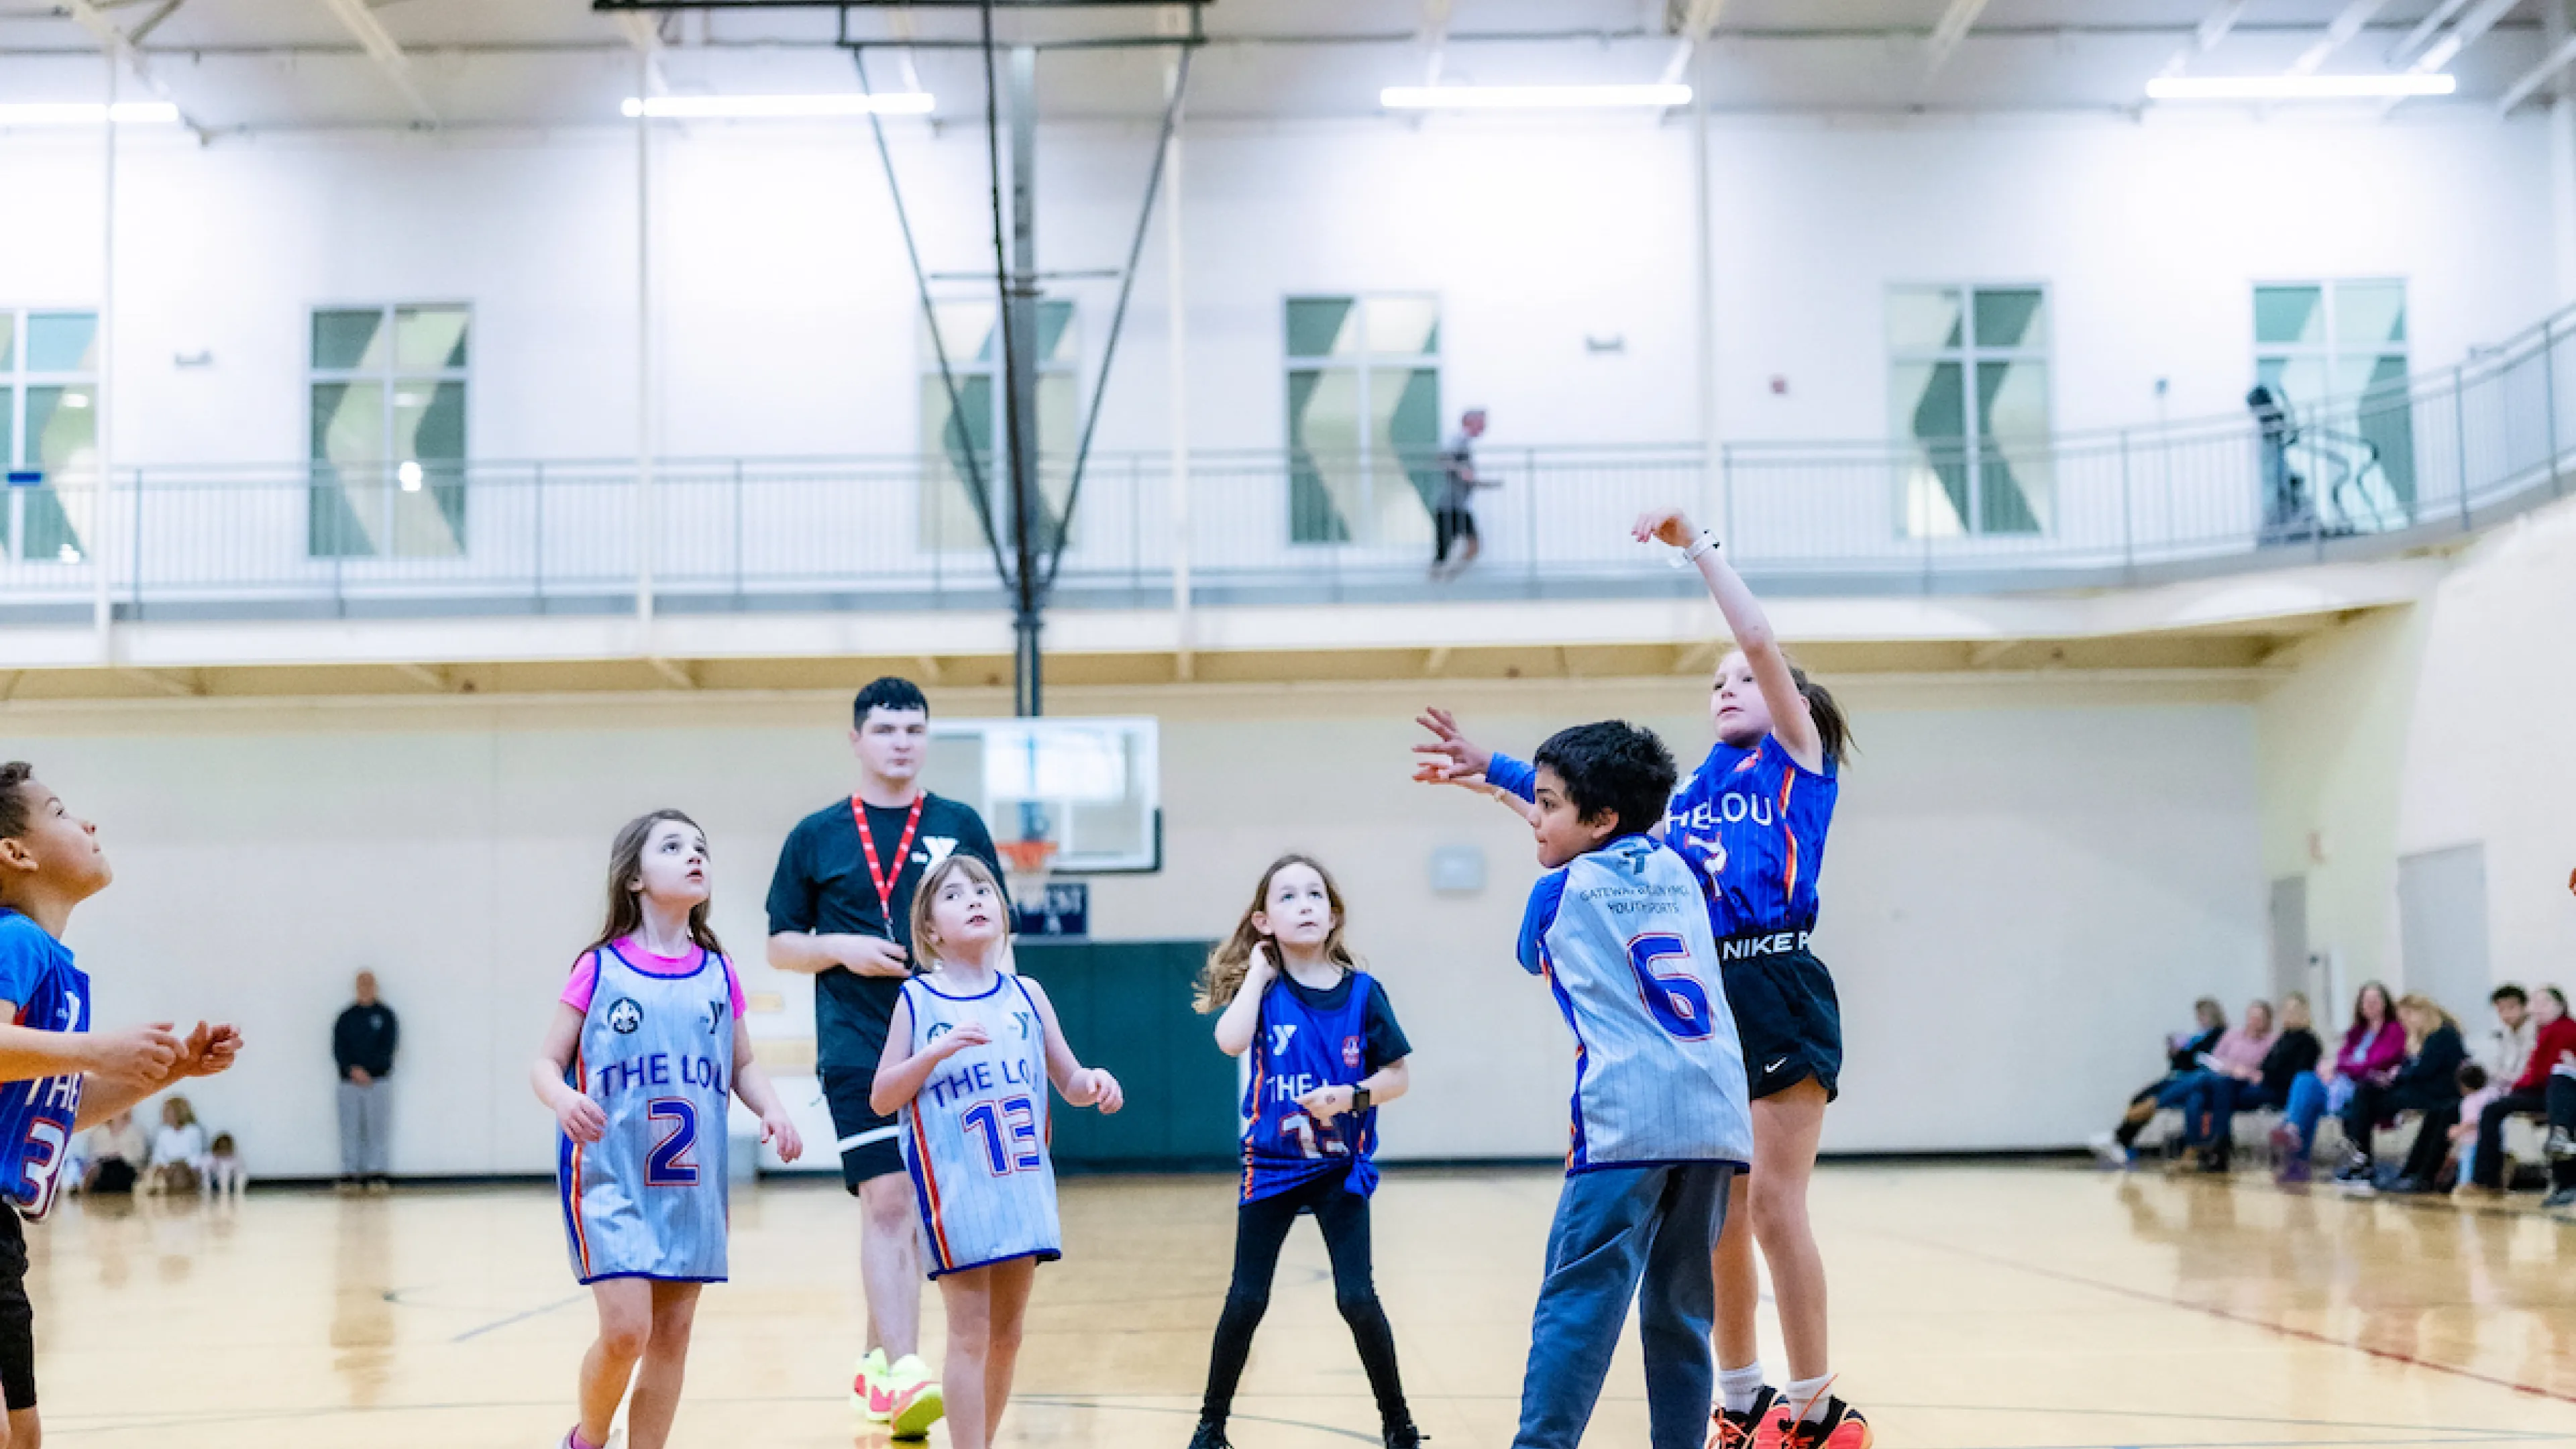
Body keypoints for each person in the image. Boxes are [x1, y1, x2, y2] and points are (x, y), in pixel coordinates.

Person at [1418, 503, 1869, 1449]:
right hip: (1705, 1015)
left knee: (1779, 1206)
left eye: (1747, 677)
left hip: (1776, 979)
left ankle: (1816, 1401)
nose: (1728, 683)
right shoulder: (1698, 787)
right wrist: (1490, 772)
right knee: (1721, 1223)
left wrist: (1698, 547)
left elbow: (1753, 632)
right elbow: (1591, 827)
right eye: (1716, 681)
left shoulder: (1798, 760)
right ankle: (1739, 1396)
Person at [1462, 720, 1752, 1449]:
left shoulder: (1555, 892)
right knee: (1683, 1308)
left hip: (1628, 1116)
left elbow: (1532, 956)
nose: (1534, 814)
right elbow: (1612, 830)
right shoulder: (1680, 869)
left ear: (1600, 818)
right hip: (1716, 1113)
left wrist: (1502, 777)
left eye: (1548, 804)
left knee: (1579, 1301)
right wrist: (1513, 780)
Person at [765, 677, 1004, 1435]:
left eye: (914, 728)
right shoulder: (816, 834)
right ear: (857, 740)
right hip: (859, 1043)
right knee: (889, 1203)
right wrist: (839, 948)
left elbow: (999, 923)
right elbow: (779, 944)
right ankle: (905, 1374)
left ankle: (878, 1372)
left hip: (950, 1041)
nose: (901, 741)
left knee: (923, 1219)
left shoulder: (960, 823)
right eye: (886, 728)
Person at [533, 809, 805, 1449]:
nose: (694, 855)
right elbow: (545, 1061)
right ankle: (589, 1439)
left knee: (673, 1338)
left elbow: (742, 1064)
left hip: (692, 1187)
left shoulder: (718, 970)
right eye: (674, 846)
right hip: (613, 1178)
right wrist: (563, 1096)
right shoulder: (599, 968)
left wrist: (774, 1108)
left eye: (701, 847)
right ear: (633, 878)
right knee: (628, 1331)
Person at [0, 760, 242, 1444]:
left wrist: (167, 1073)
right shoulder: (14, 939)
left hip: (5, 1224)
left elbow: (50, 1111)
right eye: (60, 812)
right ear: (16, 853)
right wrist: (93, 1050)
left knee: (22, 1434)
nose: (89, 823)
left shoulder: (55, 964)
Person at [869, 853, 1123, 1449]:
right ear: (930, 929)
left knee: (1008, 1335)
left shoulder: (1026, 995)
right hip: (958, 1191)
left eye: (983, 889)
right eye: (955, 895)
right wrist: (934, 1054)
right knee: (970, 1332)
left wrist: (1095, 1084)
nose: (976, 900)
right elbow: (883, 1097)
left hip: (1023, 1186)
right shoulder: (918, 1000)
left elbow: (1069, 1079)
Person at [1185, 855, 1422, 1449]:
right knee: (1246, 1298)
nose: (1306, 904)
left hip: (1339, 1167)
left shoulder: (1364, 994)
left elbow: (1398, 1078)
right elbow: (1227, 1040)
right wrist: (1259, 978)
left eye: (1315, 894)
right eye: (1288, 897)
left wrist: (1352, 1094)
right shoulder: (1263, 993)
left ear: (1334, 912)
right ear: (1264, 921)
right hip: (1270, 1166)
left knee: (1357, 1298)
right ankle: (1210, 1427)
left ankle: (1399, 1424)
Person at [2332, 994, 2465, 1192]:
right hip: (2419, 1088)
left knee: (2366, 1100)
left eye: (2408, 1017)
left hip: (2436, 1092)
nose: (2406, 1023)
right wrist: (2396, 1075)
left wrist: (2397, 1076)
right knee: (2364, 1094)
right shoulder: (2422, 1038)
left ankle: (2364, 1162)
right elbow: (2410, 1069)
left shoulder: (2443, 1035)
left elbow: (2424, 1070)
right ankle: (2361, 1160)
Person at [2178, 993, 2320, 1174]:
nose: (2287, 1014)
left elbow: (2295, 1075)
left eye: (2292, 1010)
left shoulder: (2306, 1041)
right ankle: (2212, 1145)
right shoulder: (2284, 1038)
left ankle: (2218, 1145)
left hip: (2281, 1091)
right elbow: (2266, 1065)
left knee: (2212, 1087)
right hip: (2256, 1083)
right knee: (2207, 1092)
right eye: (2285, 1010)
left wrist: (2259, 1074)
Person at [2274, 981, 2402, 1181]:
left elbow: (2377, 1062)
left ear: (2385, 1003)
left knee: (2315, 1092)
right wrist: (2334, 1068)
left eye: (2375, 1000)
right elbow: (2343, 1058)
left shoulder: (2393, 1030)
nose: (2370, 1005)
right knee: (2306, 1080)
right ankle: (2294, 1139)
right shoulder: (2357, 1032)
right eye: (2366, 1001)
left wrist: (2340, 1068)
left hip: (2367, 1086)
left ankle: (2294, 1138)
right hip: (2342, 1083)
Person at [2459, 985, 2576, 1197]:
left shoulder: (2558, 1031)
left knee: (2492, 1109)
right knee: (2486, 1106)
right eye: (2536, 1003)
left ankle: (2486, 1180)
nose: (2539, 1009)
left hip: (2551, 1092)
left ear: (2560, 1006)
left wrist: (2514, 1085)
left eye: (2545, 1003)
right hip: (2540, 1089)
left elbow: (2542, 1074)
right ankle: (2483, 1177)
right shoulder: (2539, 1031)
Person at [2090, 998, 2228, 1168]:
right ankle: (2122, 1140)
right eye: (2198, 1015)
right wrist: (2176, 1053)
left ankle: (2124, 1135)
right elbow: (2184, 1062)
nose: (2200, 1019)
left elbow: (2208, 1062)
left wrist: (2188, 1055)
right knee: (2141, 1097)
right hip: (2181, 1078)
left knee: (2195, 1094)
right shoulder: (2197, 1036)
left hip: (2203, 1080)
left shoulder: (2221, 1035)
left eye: (2203, 1015)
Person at [2164, 1000, 2278, 1173]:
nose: (2254, 1021)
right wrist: (2230, 1068)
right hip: (2221, 1079)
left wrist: (2244, 1071)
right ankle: (2196, 1147)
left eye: (2259, 1018)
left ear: (2267, 1020)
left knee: (2205, 1088)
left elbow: (2266, 1070)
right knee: (2197, 1096)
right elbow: (2215, 1059)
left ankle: (2217, 1145)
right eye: (2252, 1017)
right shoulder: (2232, 1035)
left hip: (2244, 1084)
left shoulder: (2271, 1041)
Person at [333, 969, 398, 1193]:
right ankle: (350, 1174)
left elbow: (388, 1047)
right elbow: (339, 1048)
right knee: (350, 1128)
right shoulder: (346, 1018)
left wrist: (370, 1071)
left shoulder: (386, 1016)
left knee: (377, 1129)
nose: (365, 988)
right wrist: (353, 1070)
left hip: (377, 1082)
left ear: (376, 987)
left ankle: (376, 1174)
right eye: (361, 984)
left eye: (369, 984)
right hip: (349, 1083)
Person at [1430, 407, 1496, 580]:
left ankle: (1446, 577)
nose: (1483, 427)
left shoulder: (1464, 443)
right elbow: (1442, 459)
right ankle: (1438, 580)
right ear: (1469, 422)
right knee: (1446, 552)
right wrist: (1461, 471)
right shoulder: (1458, 440)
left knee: (1471, 547)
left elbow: (1466, 477)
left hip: (1458, 504)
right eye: (1481, 423)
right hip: (1449, 505)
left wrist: (1483, 484)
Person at [144, 1094, 209, 1195]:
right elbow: (158, 1156)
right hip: (168, 1167)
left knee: (180, 1172)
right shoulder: (162, 1132)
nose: (164, 1113)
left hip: (187, 1168)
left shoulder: (193, 1131)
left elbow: (196, 1156)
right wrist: (166, 1166)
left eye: (168, 1110)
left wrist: (181, 1164)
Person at [80, 1109, 149, 1195]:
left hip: (127, 1168)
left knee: (118, 1167)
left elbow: (140, 1155)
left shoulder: (136, 1131)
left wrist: (121, 1155)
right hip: (104, 1169)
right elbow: (93, 1155)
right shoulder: (98, 1132)